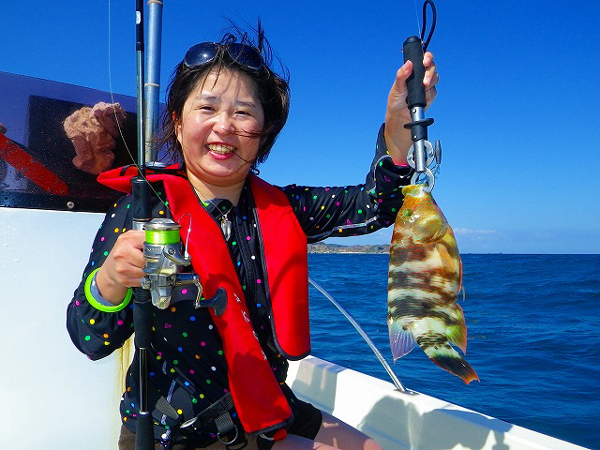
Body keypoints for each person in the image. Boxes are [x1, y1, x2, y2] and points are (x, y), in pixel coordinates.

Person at [67, 26, 438, 450]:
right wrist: (111, 279)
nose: (224, 126)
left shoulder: (285, 207)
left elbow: (377, 204)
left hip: (268, 406)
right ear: (178, 121)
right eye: (207, 107)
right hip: (182, 433)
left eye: (243, 113)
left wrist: (397, 124)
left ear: (264, 132)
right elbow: (88, 338)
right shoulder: (140, 211)